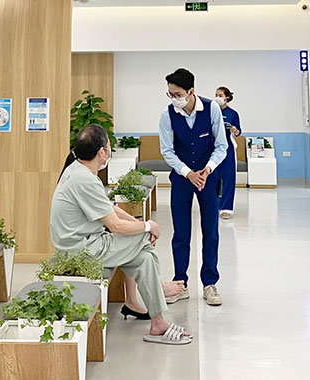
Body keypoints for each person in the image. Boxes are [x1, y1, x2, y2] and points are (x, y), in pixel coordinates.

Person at [51, 124, 192, 345]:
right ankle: (159, 287)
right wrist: (148, 227)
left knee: (144, 257)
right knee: (142, 238)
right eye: (109, 146)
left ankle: (158, 323)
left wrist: (137, 222)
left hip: (86, 244)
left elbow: (108, 208)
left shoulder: (77, 170)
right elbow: (115, 226)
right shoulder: (85, 179)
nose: (110, 150)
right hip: (82, 251)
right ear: (102, 152)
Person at [159, 68, 227, 307]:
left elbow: (221, 146)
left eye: (177, 94)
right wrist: (187, 173)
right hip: (181, 179)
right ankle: (180, 283)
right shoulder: (167, 115)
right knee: (180, 232)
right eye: (170, 94)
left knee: (211, 231)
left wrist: (208, 169)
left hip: (208, 177)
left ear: (191, 91)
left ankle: (210, 283)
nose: (174, 98)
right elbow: (167, 151)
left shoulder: (212, 109)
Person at [215, 87, 242, 220]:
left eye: (220, 95)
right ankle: (214, 206)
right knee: (213, 178)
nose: (217, 97)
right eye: (216, 95)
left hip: (228, 149)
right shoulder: (211, 111)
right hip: (213, 149)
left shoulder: (233, 113)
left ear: (227, 98)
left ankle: (226, 208)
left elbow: (238, 132)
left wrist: (235, 130)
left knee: (228, 178)